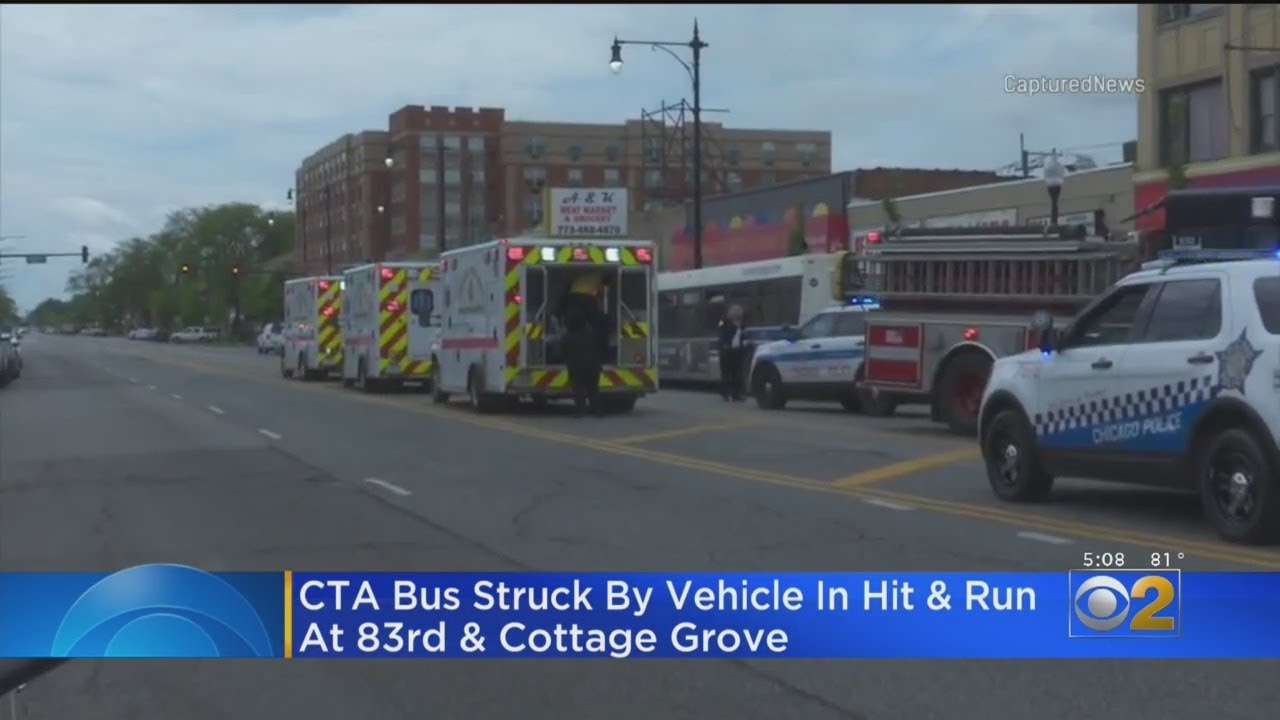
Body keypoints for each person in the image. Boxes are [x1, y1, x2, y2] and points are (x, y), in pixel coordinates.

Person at [562, 301, 605, 417]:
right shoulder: (593, 334)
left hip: (577, 366)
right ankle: (597, 410)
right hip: (594, 365)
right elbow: (601, 347)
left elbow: (562, 352)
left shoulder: (568, 337)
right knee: (593, 388)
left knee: (578, 388)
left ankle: (580, 410)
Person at [717, 304, 747, 401]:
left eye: (739, 315)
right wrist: (724, 345)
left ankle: (736, 394)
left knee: (737, 373)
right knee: (726, 373)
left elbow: (743, 335)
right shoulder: (724, 322)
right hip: (726, 351)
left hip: (737, 350)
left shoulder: (742, 324)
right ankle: (725, 394)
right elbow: (721, 334)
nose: (738, 316)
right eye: (737, 314)